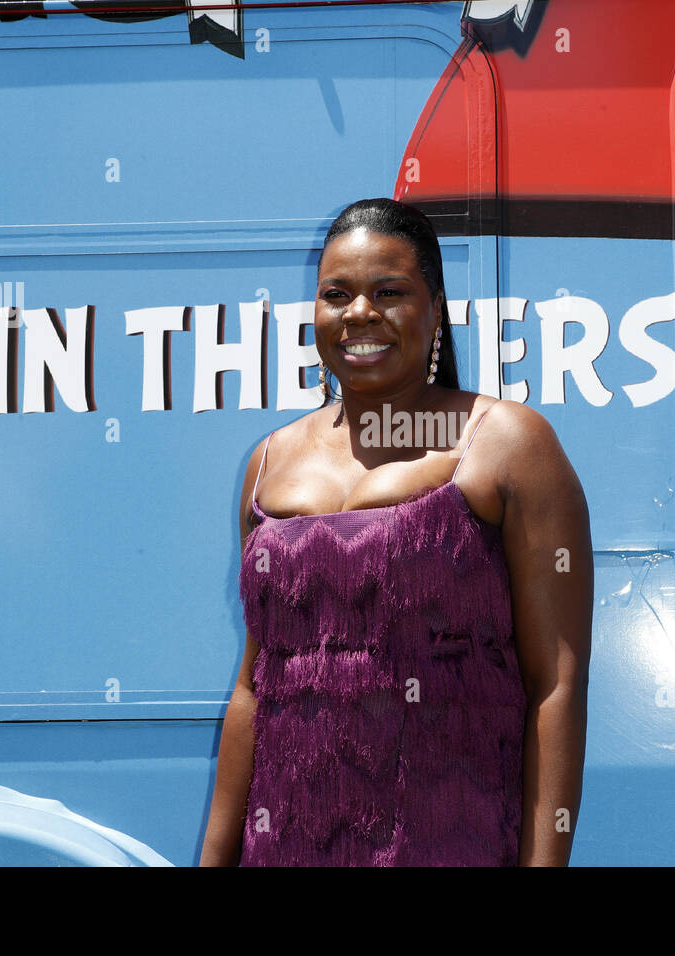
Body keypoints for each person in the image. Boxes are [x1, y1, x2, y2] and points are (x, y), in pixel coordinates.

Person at [199, 198, 591, 866]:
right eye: (336, 294)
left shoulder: (505, 443)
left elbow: (555, 685)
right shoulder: (269, 462)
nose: (359, 314)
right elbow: (253, 689)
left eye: (389, 292)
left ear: (435, 311)